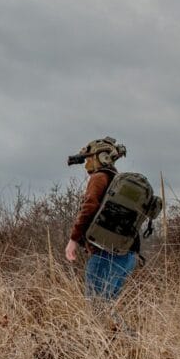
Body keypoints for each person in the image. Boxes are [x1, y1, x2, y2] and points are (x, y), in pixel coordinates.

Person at [64, 137, 139, 330]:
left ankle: (112, 347)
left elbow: (89, 207)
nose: (86, 163)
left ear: (101, 157)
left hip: (106, 253)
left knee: (96, 307)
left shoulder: (99, 177)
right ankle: (128, 347)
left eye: (89, 158)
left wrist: (73, 239)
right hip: (128, 254)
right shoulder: (118, 181)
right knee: (107, 307)